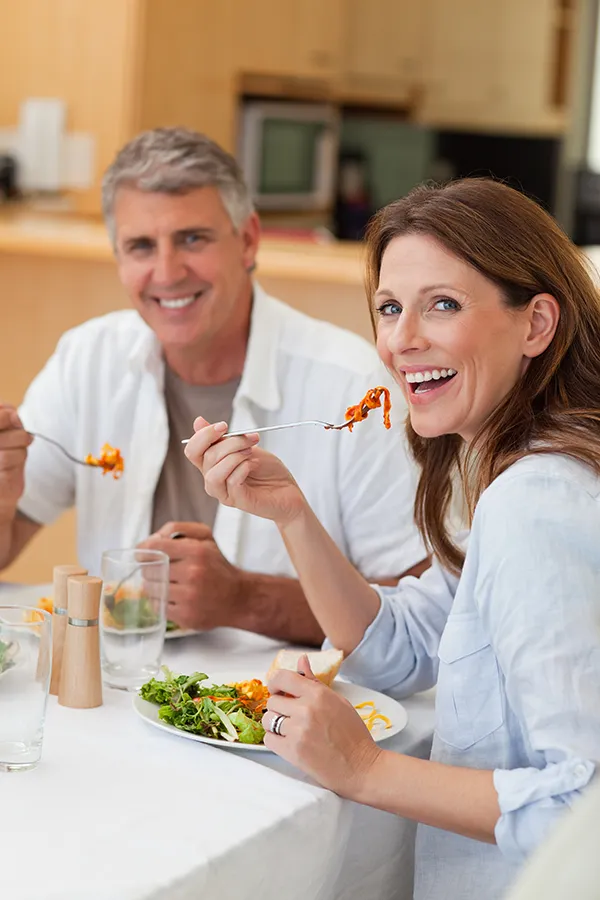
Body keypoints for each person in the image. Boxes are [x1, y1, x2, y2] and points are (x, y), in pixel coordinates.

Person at [185, 177, 600, 898]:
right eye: (388, 308)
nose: (400, 340)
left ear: (536, 325)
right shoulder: (518, 478)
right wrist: (291, 513)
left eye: (442, 304)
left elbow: (584, 807)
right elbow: (401, 648)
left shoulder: (538, 506)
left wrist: (365, 769)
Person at [0, 127, 428, 644]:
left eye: (192, 239)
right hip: (111, 699)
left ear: (247, 239)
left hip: (281, 708)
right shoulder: (88, 360)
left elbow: (416, 618)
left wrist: (245, 599)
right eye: (140, 246)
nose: (167, 272)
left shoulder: (357, 389)